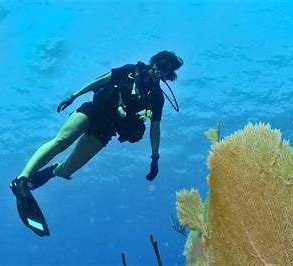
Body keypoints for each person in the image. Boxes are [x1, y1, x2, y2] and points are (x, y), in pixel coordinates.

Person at [9, 50, 184, 236]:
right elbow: (101, 80)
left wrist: (155, 157)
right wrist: (74, 96)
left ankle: (53, 170)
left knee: (66, 171)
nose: (161, 70)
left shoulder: (156, 97)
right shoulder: (131, 70)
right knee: (62, 140)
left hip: (107, 129)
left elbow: (155, 127)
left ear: (169, 75)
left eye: (168, 69)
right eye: (161, 63)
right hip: (93, 110)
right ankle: (22, 180)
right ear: (154, 61)